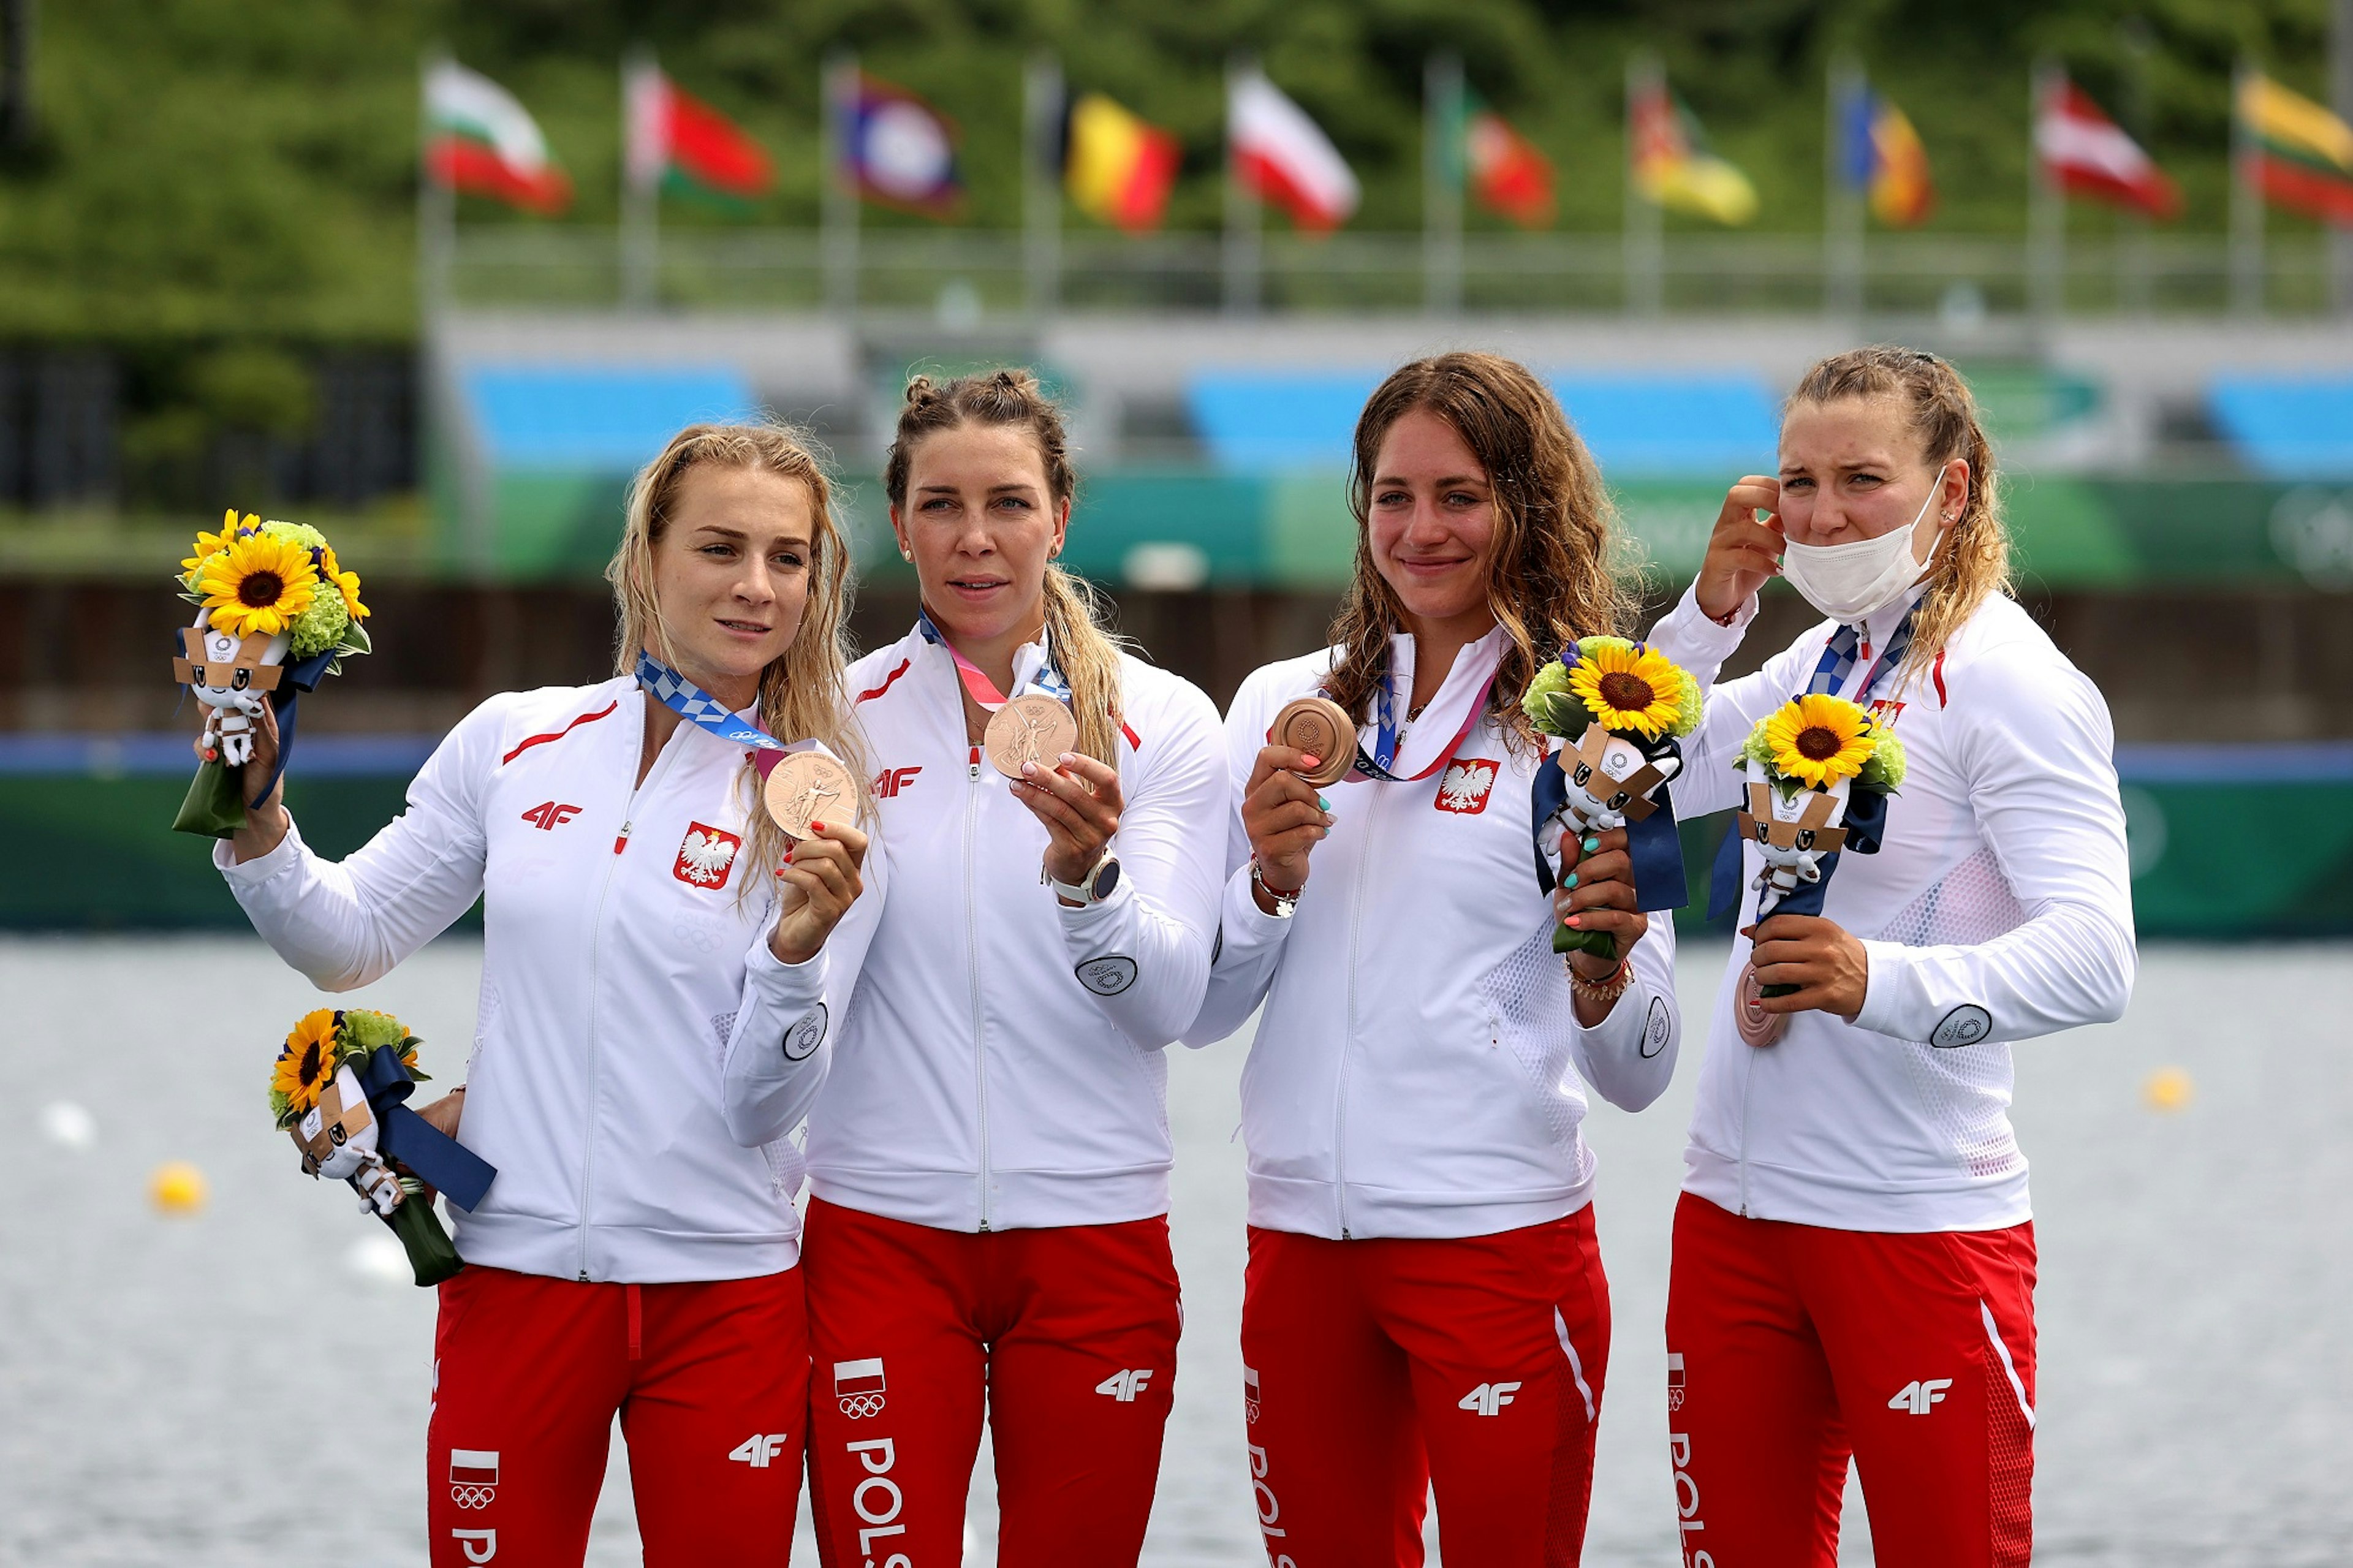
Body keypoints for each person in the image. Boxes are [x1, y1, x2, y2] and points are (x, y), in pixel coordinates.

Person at [212, 424, 882, 1567]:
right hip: (516, 1285)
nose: (756, 586)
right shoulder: (519, 740)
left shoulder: (822, 797)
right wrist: (259, 815)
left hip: (723, 1295)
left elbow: (764, 1110)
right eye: (721, 548)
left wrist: (795, 956)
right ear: (647, 559)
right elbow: (348, 942)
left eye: (788, 559)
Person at [1184, 352, 1683, 1566]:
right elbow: (1200, 1011)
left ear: (1529, 505)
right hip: (1301, 1247)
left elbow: (1643, 1070)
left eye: (1460, 496)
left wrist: (1604, 975)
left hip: (1499, 1246)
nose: (1422, 529)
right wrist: (1265, 884)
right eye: (1394, 496)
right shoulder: (1283, 707)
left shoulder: (1597, 732)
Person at [1645, 346, 2135, 1567]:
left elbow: (2097, 958)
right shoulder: (1821, 659)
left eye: (1862, 479)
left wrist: (1880, 981)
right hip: (1734, 1217)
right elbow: (1636, 774)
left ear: (1951, 491)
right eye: (1799, 482)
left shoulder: (2014, 682)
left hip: (1917, 1229)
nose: (1821, 516)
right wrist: (1708, 616)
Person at [787, 370, 1227, 1567]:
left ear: (1061, 517)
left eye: (1009, 503)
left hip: (1094, 1234)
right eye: (941, 505)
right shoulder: (829, 719)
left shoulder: (1164, 719)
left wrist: (1089, 883)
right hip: (881, 1235)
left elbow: (1171, 1002)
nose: (974, 538)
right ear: (898, 523)